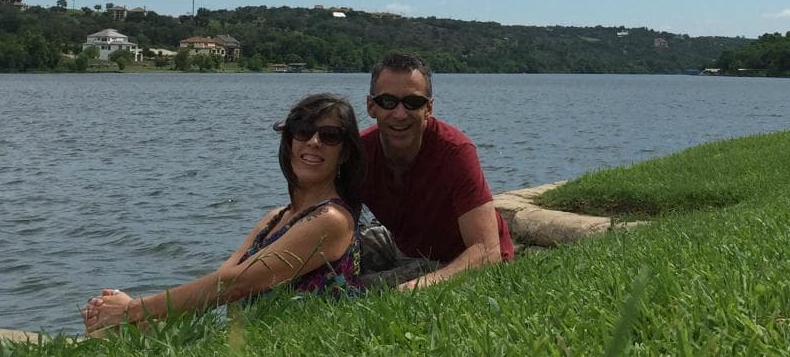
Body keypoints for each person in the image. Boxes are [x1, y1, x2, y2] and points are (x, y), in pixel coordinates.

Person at [81, 93, 365, 335]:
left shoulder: (332, 220)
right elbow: (223, 279)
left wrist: (132, 309)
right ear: (289, 141)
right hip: (250, 337)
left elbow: (237, 284)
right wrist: (133, 315)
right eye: (302, 130)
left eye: (329, 136)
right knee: (110, 329)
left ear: (344, 153)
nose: (314, 141)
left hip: (294, 342)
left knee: (117, 326)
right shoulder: (276, 217)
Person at [360, 53, 514, 290]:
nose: (400, 114)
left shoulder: (455, 152)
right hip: (406, 248)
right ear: (371, 106)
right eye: (388, 101)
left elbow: (487, 250)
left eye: (413, 102)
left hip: (459, 261)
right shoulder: (359, 153)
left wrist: (416, 287)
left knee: (360, 288)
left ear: (428, 108)